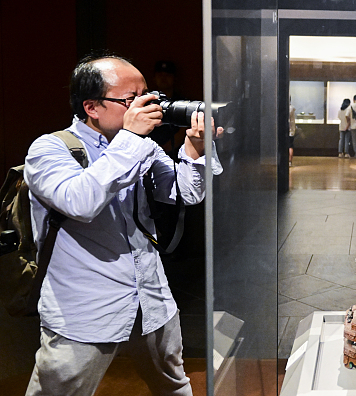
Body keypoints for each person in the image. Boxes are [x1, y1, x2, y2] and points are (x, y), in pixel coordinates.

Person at [23, 55, 222, 396]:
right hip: (84, 310)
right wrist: (130, 139)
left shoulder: (139, 146)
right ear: (92, 107)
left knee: (174, 385)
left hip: (151, 298)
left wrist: (195, 149)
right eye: (131, 99)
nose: (148, 105)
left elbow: (185, 192)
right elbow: (80, 202)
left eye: (149, 94)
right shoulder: (50, 149)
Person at [289, 96, 296, 167]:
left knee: (289, 146)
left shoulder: (289, 109)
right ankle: (290, 161)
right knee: (290, 146)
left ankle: (288, 160)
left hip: (288, 130)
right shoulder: (292, 108)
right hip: (291, 131)